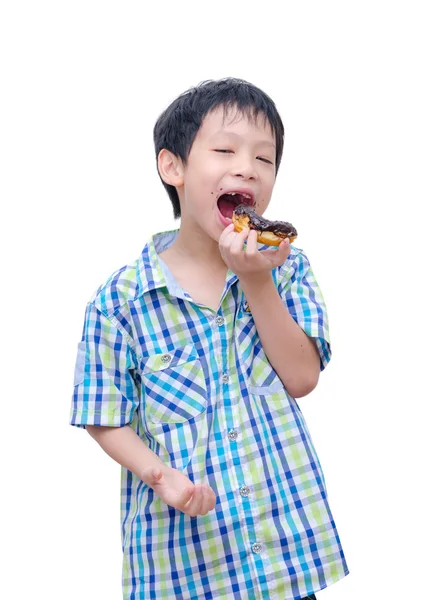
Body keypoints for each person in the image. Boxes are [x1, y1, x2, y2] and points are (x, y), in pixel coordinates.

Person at [70, 77, 349, 600]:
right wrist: (160, 475)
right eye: (224, 150)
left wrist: (256, 278)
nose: (247, 167)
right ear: (172, 166)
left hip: (284, 555)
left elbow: (302, 376)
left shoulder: (287, 270)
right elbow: (101, 413)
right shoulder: (120, 301)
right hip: (183, 564)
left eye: (264, 160)